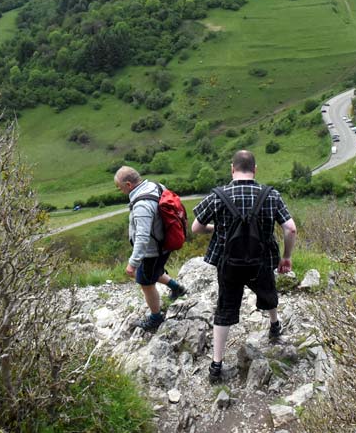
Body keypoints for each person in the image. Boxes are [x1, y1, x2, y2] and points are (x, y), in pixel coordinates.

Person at [191, 150, 297, 383]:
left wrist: (216, 230)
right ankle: (274, 325)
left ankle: (216, 365)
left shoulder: (218, 196)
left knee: (225, 307)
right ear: (255, 169)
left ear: (232, 168)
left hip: (228, 263)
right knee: (268, 291)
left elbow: (196, 228)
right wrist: (286, 257)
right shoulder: (271, 195)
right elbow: (290, 228)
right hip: (262, 260)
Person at [115, 166, 187, 332]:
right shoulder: (156, 186)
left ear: (128, 184)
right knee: (154, 272)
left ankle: (155, 318)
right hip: (163, 244)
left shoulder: (141, 205)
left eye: (120, 187)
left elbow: (142, 237)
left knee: (145, 283)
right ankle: (178, 288)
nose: (120, 191)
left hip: (152, 252)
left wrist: (133, 263)